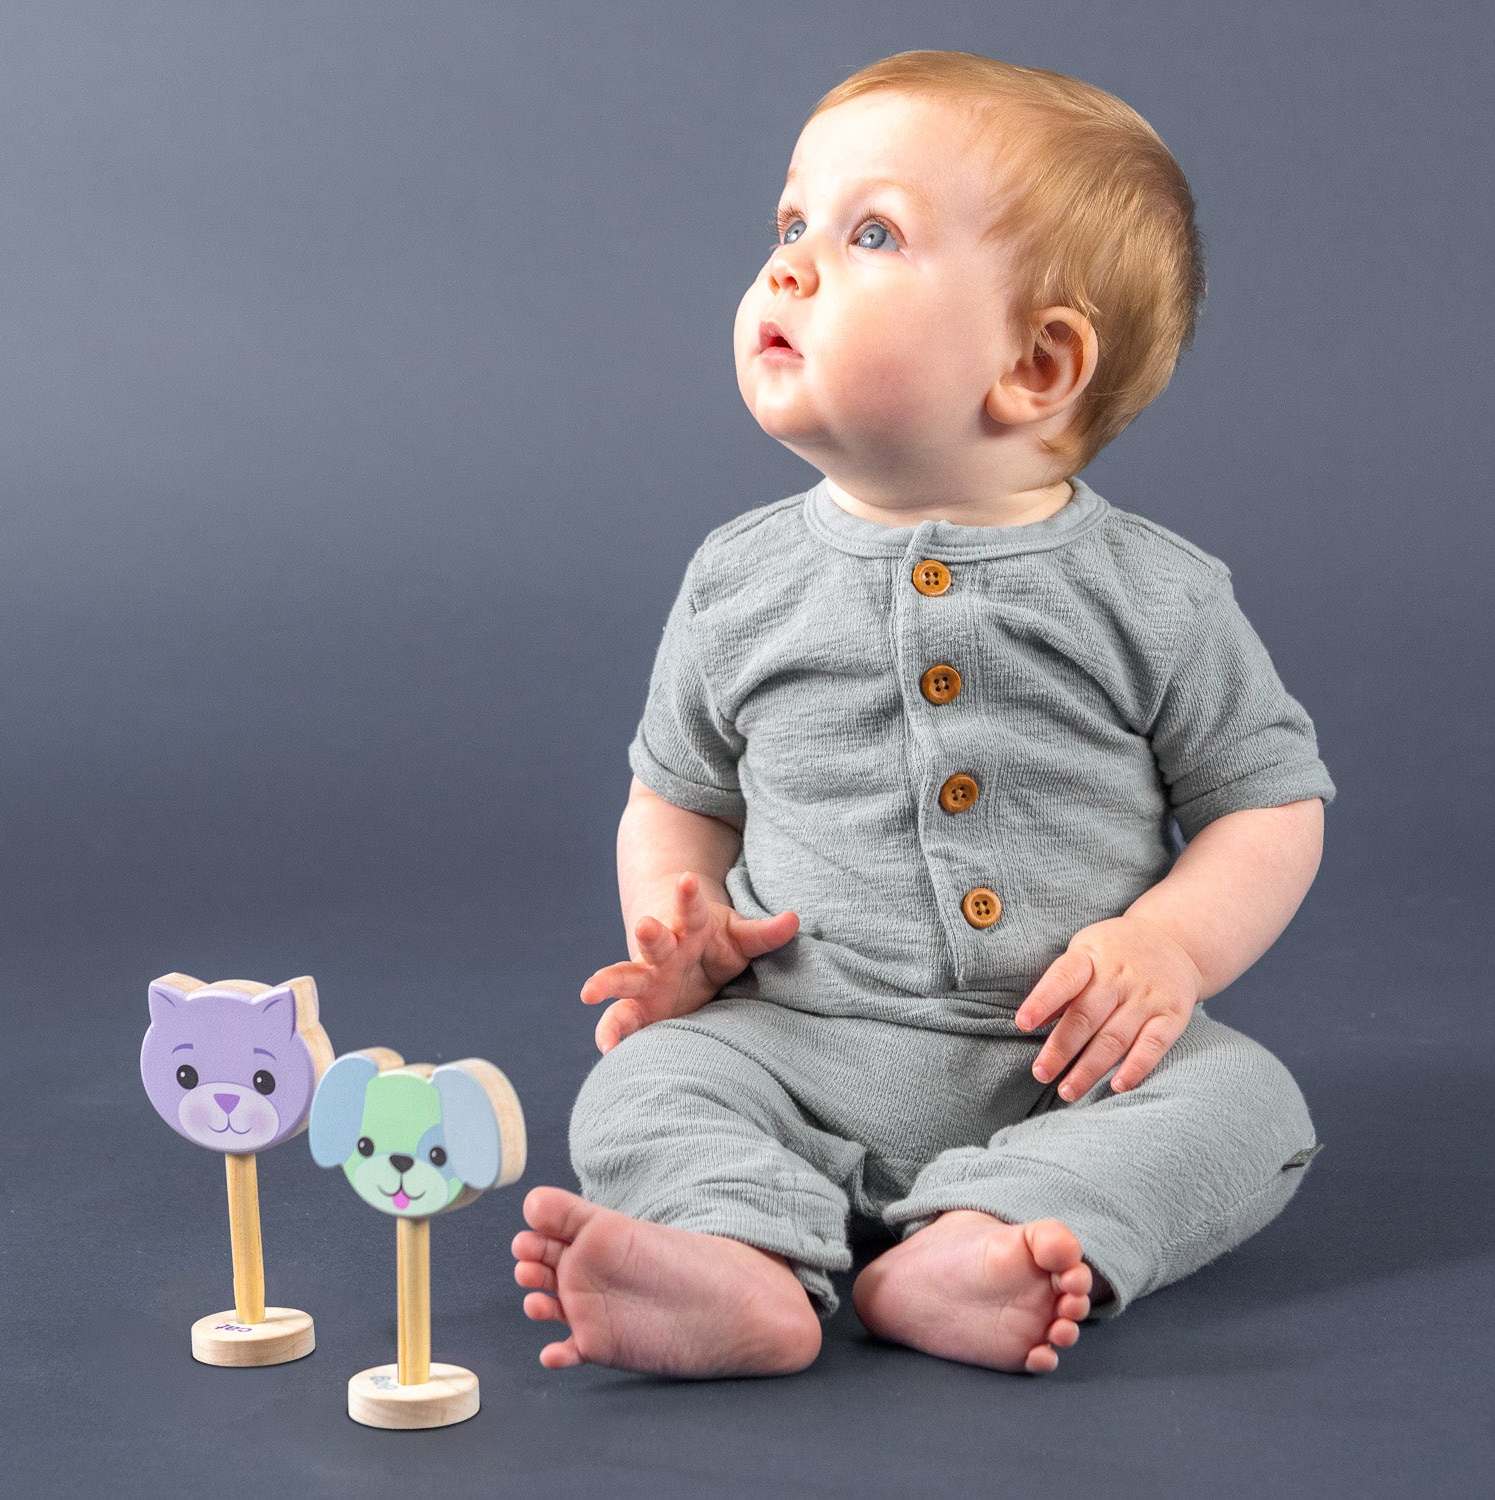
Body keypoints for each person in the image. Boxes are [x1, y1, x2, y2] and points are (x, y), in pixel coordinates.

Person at [512, 49, 1335, 1378]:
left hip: (1060, 1067)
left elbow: (1269, 801)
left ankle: (980, 1239)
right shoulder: (739, 581)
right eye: (789, 226)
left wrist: (1170, 949)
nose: (788, 265)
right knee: (643, 1086)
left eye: (870, 233)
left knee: (1249, 1106)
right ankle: (741, 1259)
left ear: (1037, 363)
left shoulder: (1154, 597)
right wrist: (681, 932)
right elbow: (679, 795)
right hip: (788, 1044)